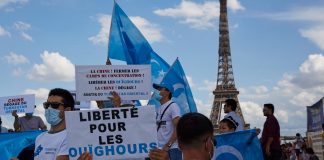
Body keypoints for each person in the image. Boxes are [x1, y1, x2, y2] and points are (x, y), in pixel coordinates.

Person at [34, 88, 75, 160]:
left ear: (68, 110)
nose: (49, 108)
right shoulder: (40, 137)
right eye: (47, 105)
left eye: (55, 105)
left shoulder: (71, 137)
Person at [153, 82, 182, 160]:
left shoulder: (173, 106)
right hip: (159, 149)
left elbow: (179, 127)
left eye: (160, 89)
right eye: (157, 89)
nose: (157, 91)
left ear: (167, 92)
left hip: (171, 150)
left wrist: (168, 145)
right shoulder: (159, 108)